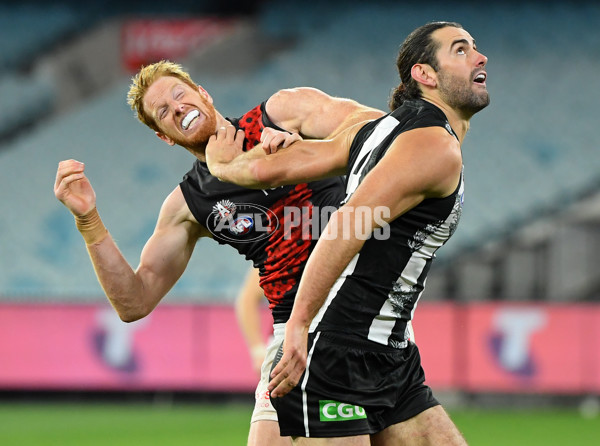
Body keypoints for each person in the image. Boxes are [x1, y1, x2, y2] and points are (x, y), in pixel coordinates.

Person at [54, 60, 384, 446]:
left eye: (179, 94)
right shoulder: (189, 204)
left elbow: (382, 133)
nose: (176, 107)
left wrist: (309, 151)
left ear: (204, 95)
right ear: (165, 136)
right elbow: (134, 302)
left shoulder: (283, 114)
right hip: (294, 332)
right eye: (163, 111)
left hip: (351, 315)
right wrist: (89, 221)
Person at [205, 21, 489, 444]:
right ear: (425, 75)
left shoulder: (381, 129)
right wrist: (297, 326)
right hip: (336, 353)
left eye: (475, 48)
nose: (480, 57)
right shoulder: (433, 145)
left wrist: (224, 165)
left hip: (391, 355)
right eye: (461, 50)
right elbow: (347, 223)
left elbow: (281, 165)